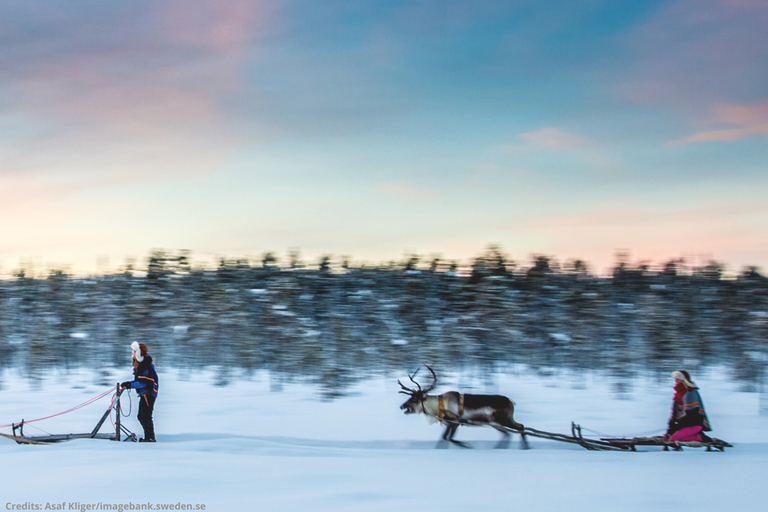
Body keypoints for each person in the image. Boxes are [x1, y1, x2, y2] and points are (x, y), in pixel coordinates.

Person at [122, 342, 159, 442]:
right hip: (144, 395)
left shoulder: (146, 366)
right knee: (141, 416)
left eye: (134, 351)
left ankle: (150, 437)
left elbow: (143, 383)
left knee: (145, 416)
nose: (132, 354)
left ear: (139, 353)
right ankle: (149, 436)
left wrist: (129, 384)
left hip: (148, 395)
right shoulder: (142, 364)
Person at [665, 370, 711, 443]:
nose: (675, 381)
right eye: (675, 379)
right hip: (684, 425)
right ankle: (691, 435)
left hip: (694, 424)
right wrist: (672, 425)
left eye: (677, 379)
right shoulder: (678, 394)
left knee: (673, 439)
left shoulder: (690, 392)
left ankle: (701, 437)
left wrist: (679, 425)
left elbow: (692, 413)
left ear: (683, 380)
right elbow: (676, 412)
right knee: (667, 437)